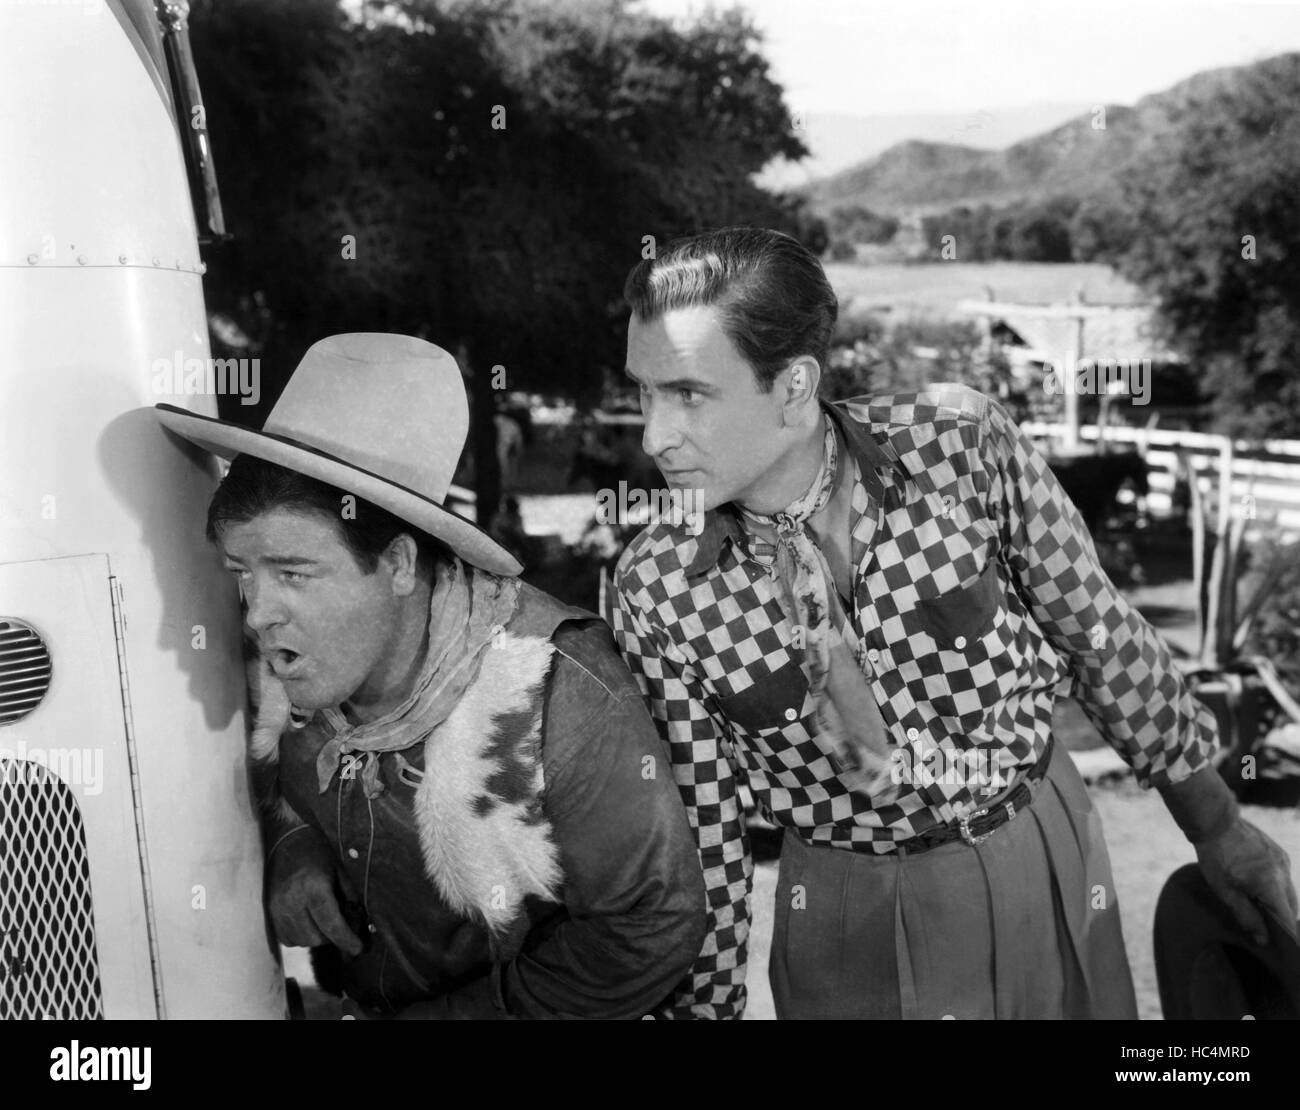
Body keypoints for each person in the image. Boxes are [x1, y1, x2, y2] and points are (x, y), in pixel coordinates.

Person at [607, 227, 1298, 1020]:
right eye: (643, 390)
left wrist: (1216, 823)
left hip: (1042, 853)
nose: (655, 434)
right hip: (843, 919)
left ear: (794, 387)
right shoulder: (654, 587)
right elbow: (705, 839)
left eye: (688, 393)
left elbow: (1097, 632)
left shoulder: (956, 443)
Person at [156, 332, 704, 1019]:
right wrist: (296, 846)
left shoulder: (555, 688)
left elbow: (650, 930)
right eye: (244, 575)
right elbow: (278, 779)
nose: (259, 614)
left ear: (399, 566)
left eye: (295, 574)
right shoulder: (292, 663)